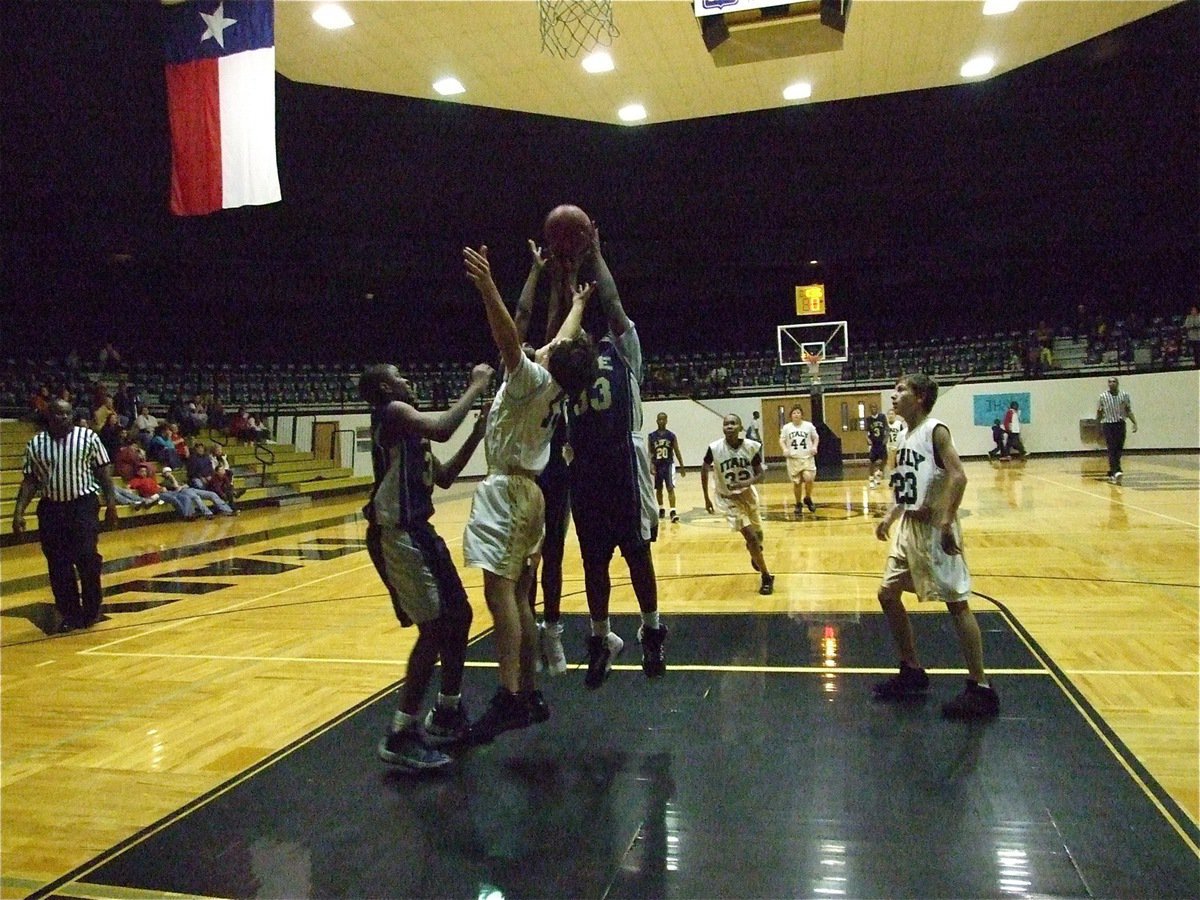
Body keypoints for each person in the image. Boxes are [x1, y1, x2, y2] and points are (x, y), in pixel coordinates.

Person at [461, 243, 598, 741]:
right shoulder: (557, 381)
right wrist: (578, 302)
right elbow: (560, 340)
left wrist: (487, 285)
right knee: (521, 594)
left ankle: (508, 696)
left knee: (500, 593)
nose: (555, 342)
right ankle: (528, 692)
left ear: (555, 360)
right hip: (530, 496)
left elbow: (506, 338)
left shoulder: (531, 377)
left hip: (508, 490)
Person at [360, 360, 494, 772]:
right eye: (400, 376)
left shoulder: (411, 435)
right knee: (434, 628)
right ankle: (400, 732)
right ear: (385, 388)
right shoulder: (394, 414)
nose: (408, 380)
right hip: (398, 535)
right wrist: (475, 386)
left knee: (461, 615)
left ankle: (448, 711)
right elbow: (441, 427)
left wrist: (478, 432)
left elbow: (449, 477)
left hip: (421, 531)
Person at [564, 226, 669, 690]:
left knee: (637, 552)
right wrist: (562, 283)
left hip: (624, 459)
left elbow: (616, 304)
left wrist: (597, 257)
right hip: (584, 463)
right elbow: (554, 329)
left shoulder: (625, 350)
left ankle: (651, 629)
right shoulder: (569, 356)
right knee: (593, 561)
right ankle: (601, 638)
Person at [873, 374, 999, 719]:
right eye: (895, 388)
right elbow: (909, 488)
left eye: (902, 390)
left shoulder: (935, 430)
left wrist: (946, 520)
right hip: (909, 527)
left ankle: (981, 687)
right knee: (887, 594)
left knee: (957, 603)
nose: (894, 395)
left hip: (933, 528)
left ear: (921, 397)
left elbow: (958, 475)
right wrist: (890, 516)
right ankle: (912, 670)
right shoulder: (905, 435)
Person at [512, 239, 572, 677]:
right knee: (525, 561)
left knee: (553, 554)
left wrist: (560, 279)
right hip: (524, 474)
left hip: (554, 469)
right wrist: (539, 274)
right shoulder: (520, 375)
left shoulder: (552, 378)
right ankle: (529, 631)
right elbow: (520, 321)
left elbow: (555, 326)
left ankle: (549, 631)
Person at [11, 399, 119, 633]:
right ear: (49, 416)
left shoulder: (88, 438)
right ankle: (69, 613)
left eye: (67, 414)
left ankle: (91, 609)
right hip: (52, 508)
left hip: (82, 505)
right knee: (58, 564)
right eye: (58, 414)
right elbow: (30, 481)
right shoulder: (36, 444)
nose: (63, 418)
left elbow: (104, 474)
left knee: (87, 557)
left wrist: (110, 504)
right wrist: (19, 511)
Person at [701, 413, 774, 595]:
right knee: (751, 537)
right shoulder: (715, 448)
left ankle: (755, 551)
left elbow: (761, 474)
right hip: (727, 498)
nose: (729, 426)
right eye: (726, 424)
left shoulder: (750, 447)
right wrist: (706, 498)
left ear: (740, 427)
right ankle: (766, 576)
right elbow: (704, 468)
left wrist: (745, 483)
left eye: (733, 423)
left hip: (747, 495)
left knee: (758, 538)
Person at [1097, 377, 1137, 483]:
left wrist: (1134, 422)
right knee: (1112, 448)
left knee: (1119, 448)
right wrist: (1098, 426)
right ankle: (1117, 471)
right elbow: (1099, 412)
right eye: (1109, 382)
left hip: (1120, 424)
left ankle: (1113, 471)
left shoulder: (1124, 395)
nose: (1111, 383)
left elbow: (1128, 410)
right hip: (1108, 424)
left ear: (1118, 383)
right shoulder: (1103, 396)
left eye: (1114, 381)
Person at [780, 404, 818, 514]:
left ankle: (808, 497)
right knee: (797, 483)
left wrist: (815, 446)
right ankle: (798, 503)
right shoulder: (787, 427)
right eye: (794, 413)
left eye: (798, 413)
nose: (796, 415)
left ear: (802, 415)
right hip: (793, 458)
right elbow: (781, 440)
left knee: (808, 478)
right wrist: (785, 449)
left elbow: (816, 437)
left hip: (807, 457)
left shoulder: (808, 426)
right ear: (791, 416)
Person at [648, 412, 686, 523]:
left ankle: (673, 511)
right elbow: (650, 452)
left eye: (663, 419)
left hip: (668, 464)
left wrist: (682, 466)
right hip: (657, 464)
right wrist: (651, 465)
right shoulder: (652, 436)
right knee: (658, 489)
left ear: (666, 421)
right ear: (657, 421)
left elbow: (677, 451)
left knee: (670, 488)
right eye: (660, 419)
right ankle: (661, 508)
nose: (661, 421)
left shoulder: (671, 435)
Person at [865, 403, 888, 488]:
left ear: (877, 408)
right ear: (870, 409)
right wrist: (867, 439)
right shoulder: (868, 419)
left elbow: (887, 428)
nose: (873, 408)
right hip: (874, 443)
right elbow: (866, 432)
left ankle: (879, 474)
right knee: (871, 461)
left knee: (884, 460)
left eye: (874, 407)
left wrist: (886, 438)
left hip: (882, 442)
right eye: (872, 407)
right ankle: (871, 478)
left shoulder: (882, 417)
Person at [885, 407, 907, 478]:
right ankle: (893, 478)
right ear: (887, 416)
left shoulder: (899, 424)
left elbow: (903, 434)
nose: (890, 415)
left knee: (899, 463)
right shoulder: (885, 425)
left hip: (898, 446)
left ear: (895, 415)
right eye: (889, 414)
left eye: (892, 414)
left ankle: (900, 477)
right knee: (891, 464)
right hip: (889, 446)